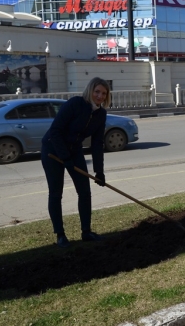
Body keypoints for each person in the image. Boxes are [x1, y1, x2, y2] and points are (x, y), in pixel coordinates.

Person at [41, 77, 110, 248]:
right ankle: (60, 235)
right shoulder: (75, 104)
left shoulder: (101, 114)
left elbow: (97, 143)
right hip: (52, 150)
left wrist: (99, 171)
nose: (100, 96)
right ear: (90, 91)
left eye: (103, 93)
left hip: (74, 150)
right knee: (56, 193)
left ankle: (86, 232)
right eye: (97, 92)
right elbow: (55, 131)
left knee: (84, 192)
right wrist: (65, 159)